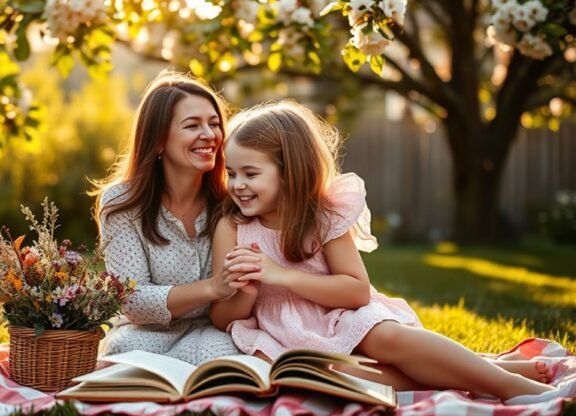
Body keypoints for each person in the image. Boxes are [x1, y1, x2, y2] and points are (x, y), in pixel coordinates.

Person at [209, 100, 565, 404]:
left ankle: (513, 386)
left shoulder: (322, 217)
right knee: (335, 377)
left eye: (250, 174)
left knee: (388, 339)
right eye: (231, 173)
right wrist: (247, 292)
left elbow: (356, 290)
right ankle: (486, 370)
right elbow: (224, 318)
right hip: (284, 336)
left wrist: (282, 275)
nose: (237, 185)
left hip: (341, 315)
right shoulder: (233, 227)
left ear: (288, 172)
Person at [91, 71, 241, 365]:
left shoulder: (231, 202)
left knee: (222, 355)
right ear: (158, 140)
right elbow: (131, 300)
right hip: (145, 333)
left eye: (214, 124)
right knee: (124, 353)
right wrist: (212, 287)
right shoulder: (121, 204)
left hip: (213, 330)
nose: (210, 135)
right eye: (192, 125)